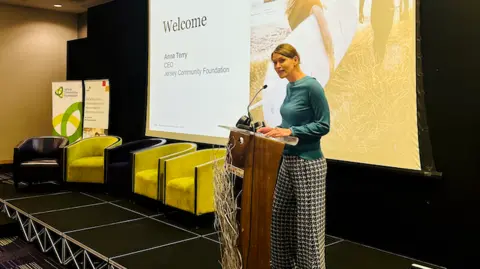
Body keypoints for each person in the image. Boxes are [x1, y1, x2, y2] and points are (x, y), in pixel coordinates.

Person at [257, 43, 330, 269]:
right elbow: (289, 125)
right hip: (288, 159)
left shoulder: (312, 87)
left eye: (282, 61)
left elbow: (323, 125)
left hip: (308, 162)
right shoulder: (290, 88)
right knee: (280, 216)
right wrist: (274, 130)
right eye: (275, 62)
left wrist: (290, 132)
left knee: (308, 228)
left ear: (295, 59)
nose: (278, 66)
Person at [285, 0, 335, 74]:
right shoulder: (313, 4)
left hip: (304, 58)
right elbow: (326, 34)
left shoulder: (290, 10)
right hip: (319, 56)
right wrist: (331, 57)